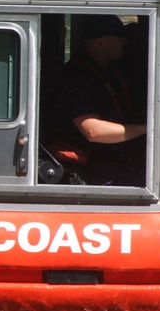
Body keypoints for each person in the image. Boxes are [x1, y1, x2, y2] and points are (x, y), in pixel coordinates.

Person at [53, 14, 147, 186]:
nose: (125, 42)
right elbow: (93, 131)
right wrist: (151, 130)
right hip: (93, 168)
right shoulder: (78, 78)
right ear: (101, 42)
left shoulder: (107, 71)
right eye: (119, 38)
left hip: (112, 160)